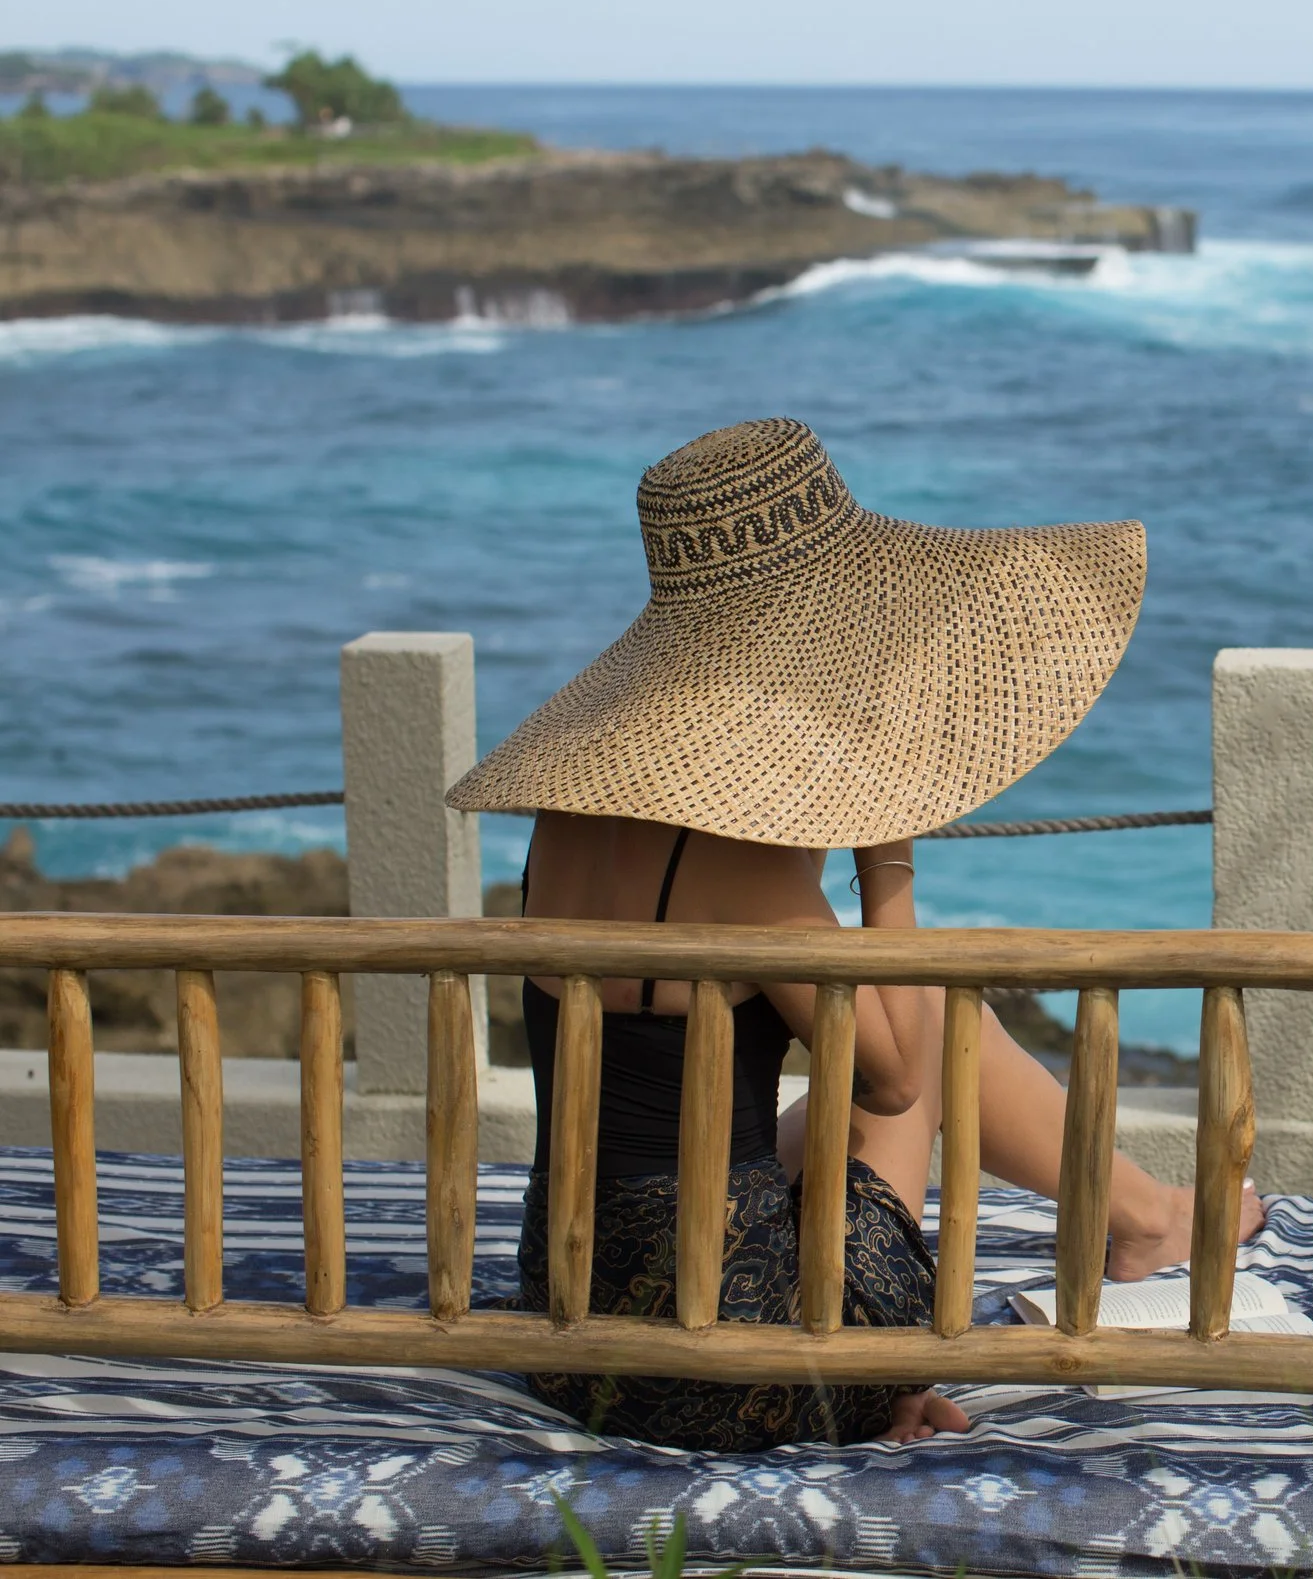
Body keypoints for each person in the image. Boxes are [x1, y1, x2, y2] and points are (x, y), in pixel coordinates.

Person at [449, 417, 1261, 1450]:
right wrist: (888, 859)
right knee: (940, 1024)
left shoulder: (564, 817)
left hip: (572, 1322)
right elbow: (897, 1081)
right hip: (725, 1352)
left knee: (834, 1073)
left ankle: (1143, 1211)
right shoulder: (738, 854)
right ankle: (1141, 1219)